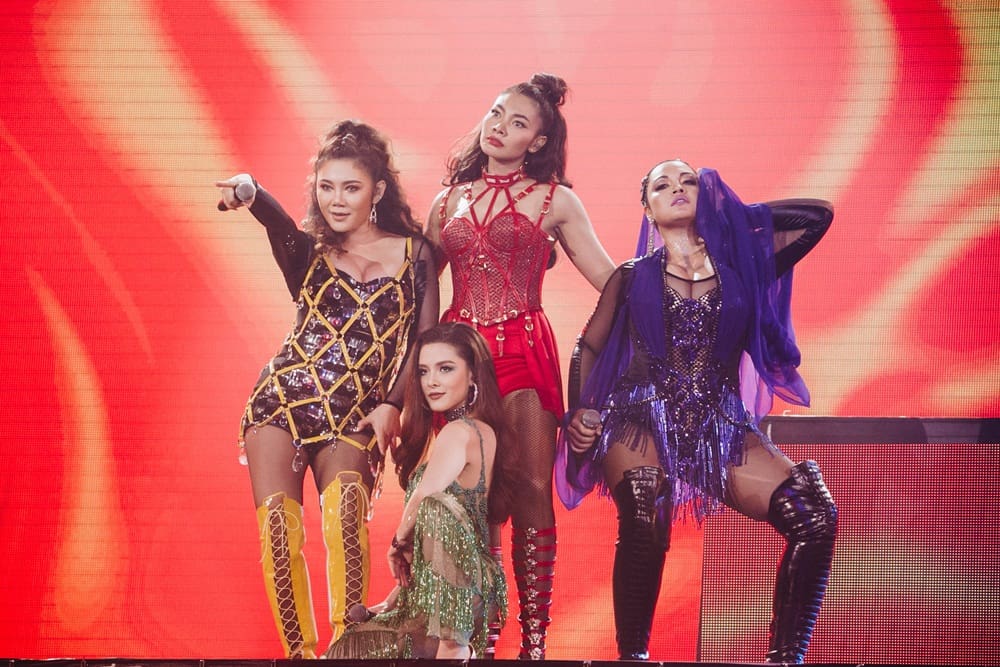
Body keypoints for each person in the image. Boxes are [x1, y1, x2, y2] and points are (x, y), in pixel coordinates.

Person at [556, 159, 837, 663]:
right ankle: (632, 658)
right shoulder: (631, 276)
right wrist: (581, 411)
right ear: (647, 209)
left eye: (688, 182)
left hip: (718, 427)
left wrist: (730, 219)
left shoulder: (742, 268)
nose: (677, 189)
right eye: (662, 186)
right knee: (646, 504)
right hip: (639, 419)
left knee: (814, 515)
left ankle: (786, 660)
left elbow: (815, 218)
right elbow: (589, 346)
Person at [215, 120, 440, 658]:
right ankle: (298, 656)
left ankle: (347, 651)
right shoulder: (308, 251)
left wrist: (392, 404)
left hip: (357, 412)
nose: (336, 200)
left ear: (377, 191)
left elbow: (423, 338)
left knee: (345, 518)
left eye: (351, 187)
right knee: (277, 530)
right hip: (282, 400)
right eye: (326, 186)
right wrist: (250, 190)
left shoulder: (414, 254)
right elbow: (278, 223)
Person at [425, 72, 616, 659]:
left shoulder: (555, 199)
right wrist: (416, 364)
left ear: (538, 141)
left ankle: (534, 644)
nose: (499, 128)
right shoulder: (447, 200)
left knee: (532, 486)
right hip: (459, 361)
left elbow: (611, 282)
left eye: (517, 123)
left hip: (524, 351)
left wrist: (677, 289)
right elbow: (421, 291)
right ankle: (480, 639)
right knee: (470, 494)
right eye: (495, 113)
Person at [324, 322, 511, 660]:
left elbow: (428, 499)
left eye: (445, 368)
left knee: (436, 507)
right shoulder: (482, 431)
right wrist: (393, 599)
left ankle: (455, 648)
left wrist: (397, 543)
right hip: (443, 592)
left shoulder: (460, 431)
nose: (431, 381)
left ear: (473, 375)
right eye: (424, 371)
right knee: (347, 649)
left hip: (459, 597)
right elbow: (439, 544)